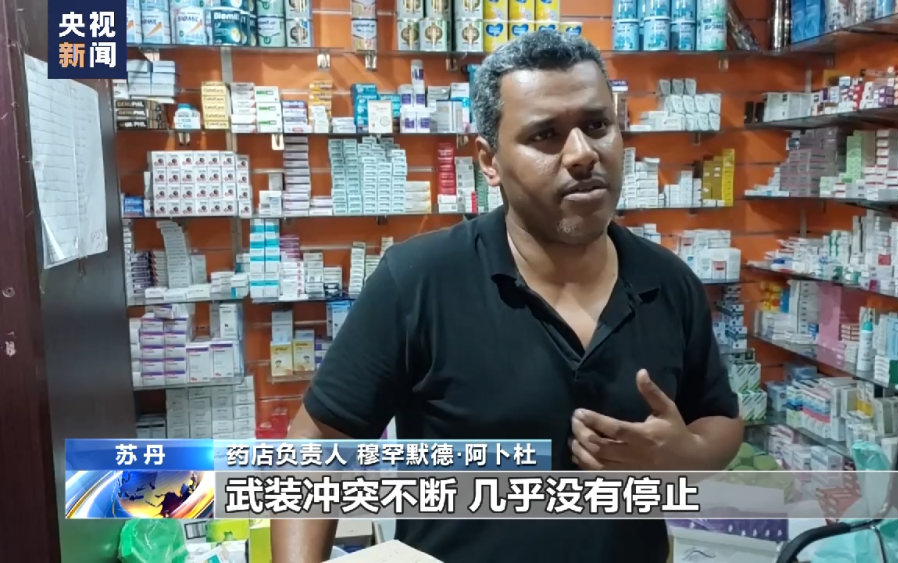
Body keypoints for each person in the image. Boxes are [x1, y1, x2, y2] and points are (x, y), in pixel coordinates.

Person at [271, 30, 743, 563]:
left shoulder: (669, 281)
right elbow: (316, 439)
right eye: (546, 135)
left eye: (597, 125)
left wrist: (688, 456)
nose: (582, 154)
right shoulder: (419, 280)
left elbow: (719, 416)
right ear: (489, 160)